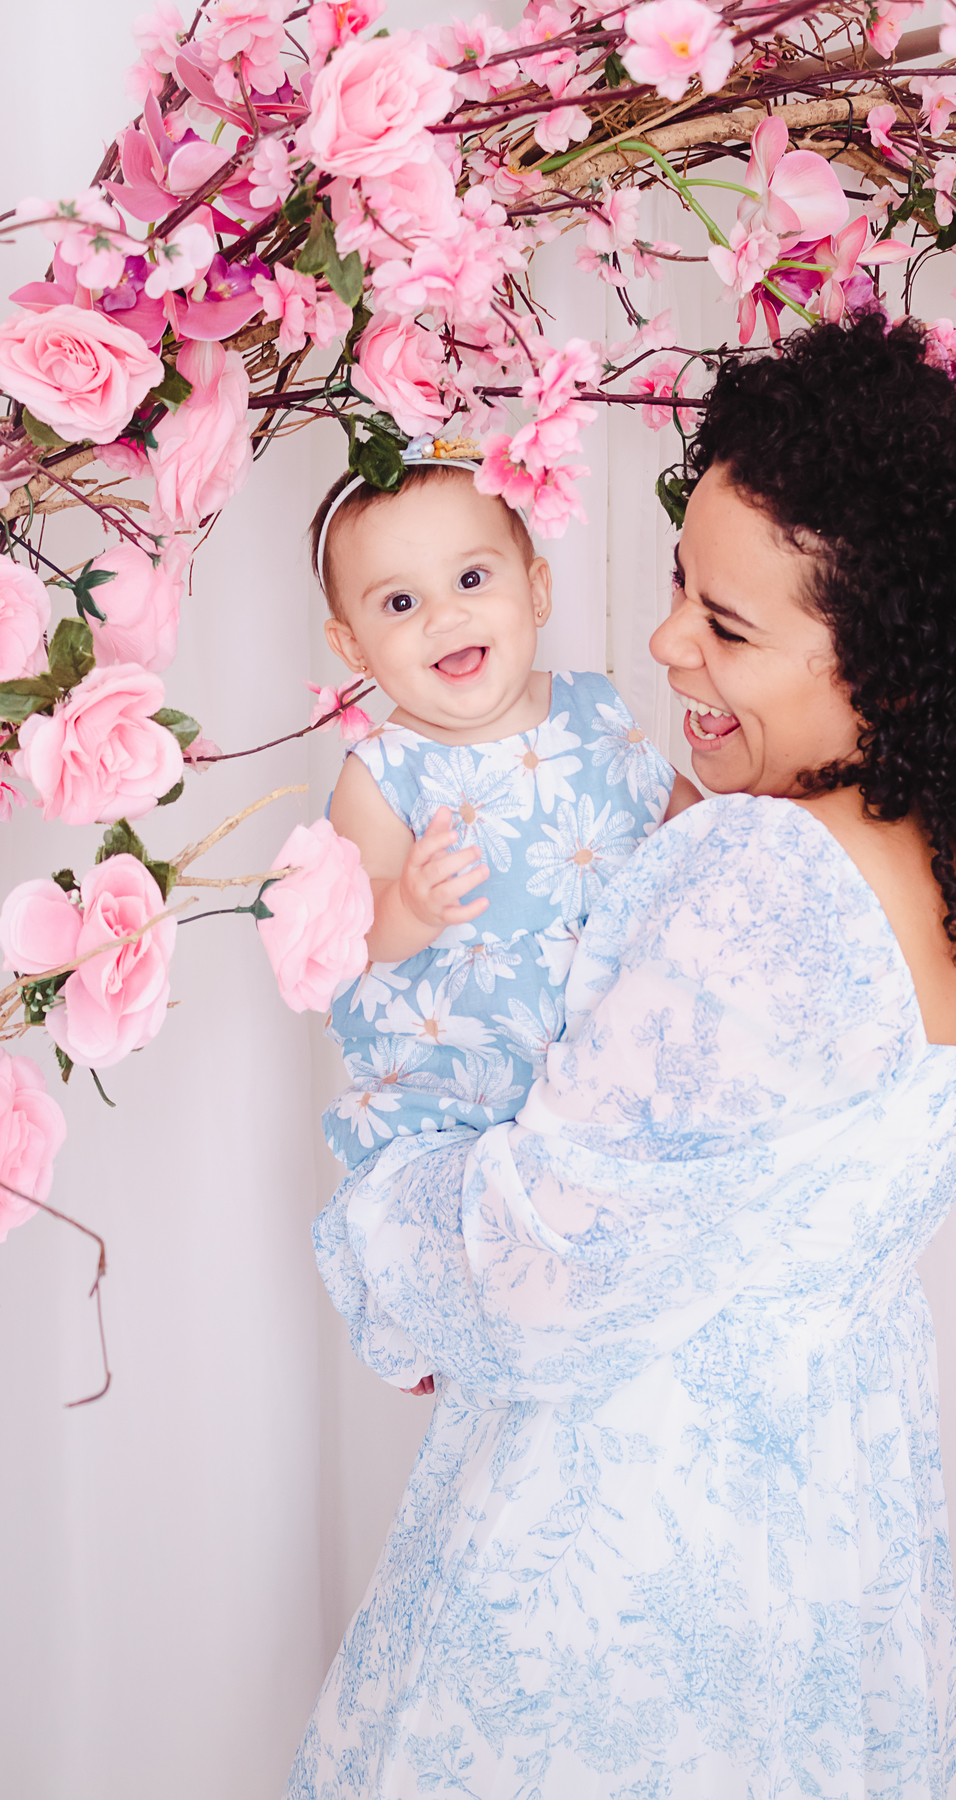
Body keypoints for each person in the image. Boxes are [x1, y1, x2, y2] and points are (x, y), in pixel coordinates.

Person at [288, 315, 956, 1799]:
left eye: (728, 624)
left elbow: (528, 1258)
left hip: (625, 1544)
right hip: (827, 1527)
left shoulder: (766, 882)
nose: (662, 645)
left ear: (893, 665)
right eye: (679, 590)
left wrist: (392, 1223)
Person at [313, 441, 701, 1382]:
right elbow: (347, 935)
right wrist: (405, 903)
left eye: (471, 578)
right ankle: (438, 1329)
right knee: (465, 1259)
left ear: (536, 591)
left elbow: (681, 817)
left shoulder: (596, 709)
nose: (444, 615)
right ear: (354, 647)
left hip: (592, 1074)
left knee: (613, 1268)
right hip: (457, 1093)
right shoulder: (381, 773)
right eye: (400, 603)